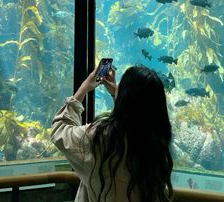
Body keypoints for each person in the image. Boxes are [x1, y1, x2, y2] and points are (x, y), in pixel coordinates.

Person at [51, 64, 173, 202]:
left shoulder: (100, 137)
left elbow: (60, 130)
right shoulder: (156, 144)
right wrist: (116, 95)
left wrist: (85, 87)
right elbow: (131, 123)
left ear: (125, 95)